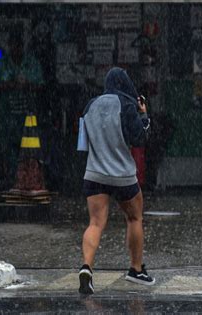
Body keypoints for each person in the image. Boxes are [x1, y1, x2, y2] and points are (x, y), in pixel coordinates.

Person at [78, 67, 154, 295]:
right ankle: (136, 269)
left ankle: (86, 269)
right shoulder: (128, 106)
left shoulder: (90, 106)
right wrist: (144, 115)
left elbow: (82, 145)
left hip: (94, 173)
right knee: (134, 217)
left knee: (95, 223)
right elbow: (140, 139)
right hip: (122, 175)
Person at [0, 32, 45, 187]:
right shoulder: (1, 64)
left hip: (27, 117)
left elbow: (41, 85)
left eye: (18, 46)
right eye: (12, 46)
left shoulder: (31, 63)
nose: (15, 50)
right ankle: (11, 181)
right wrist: (8, 85)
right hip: (6, 117)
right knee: (8, 152)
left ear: (22, 47)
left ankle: (28, 181)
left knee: (29, 151)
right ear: (9, 46)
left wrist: (26, 85)